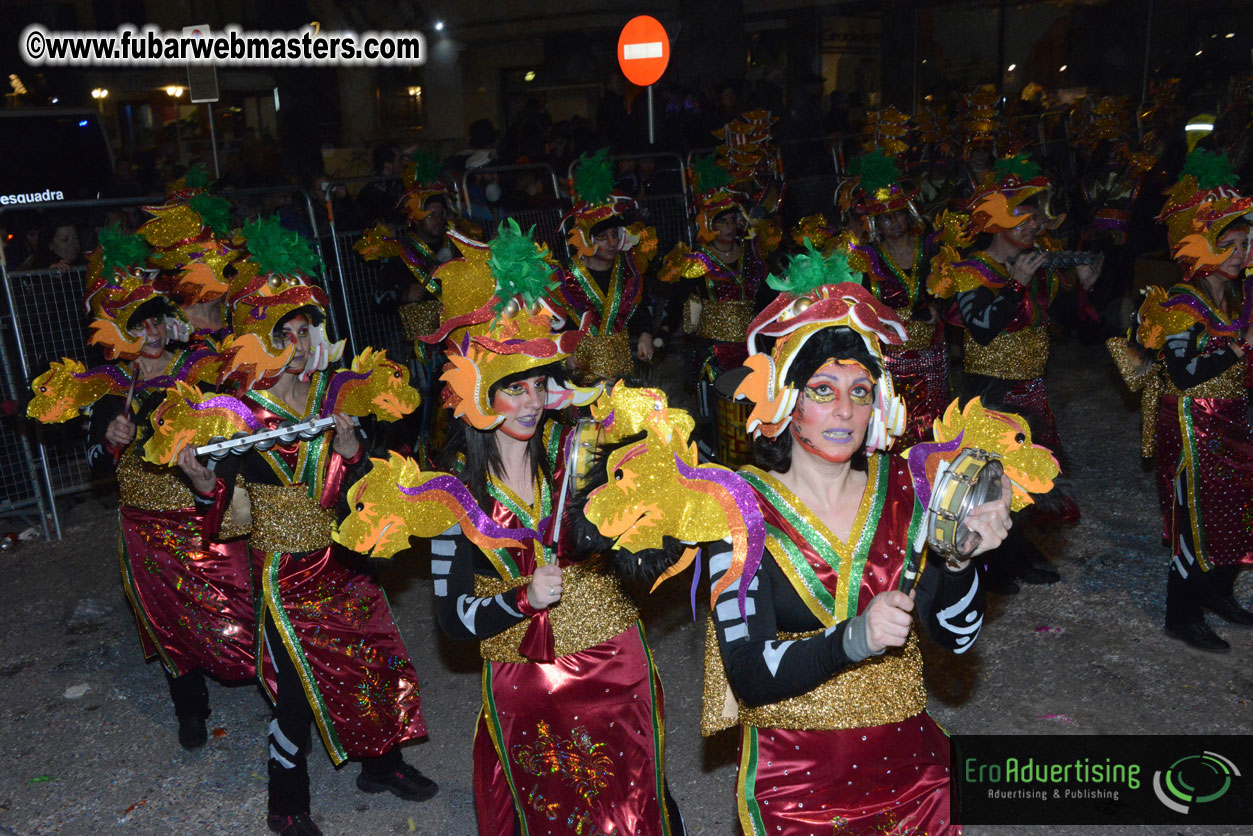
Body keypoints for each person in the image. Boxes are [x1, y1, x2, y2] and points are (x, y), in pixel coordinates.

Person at [710, 271, 1012, 835]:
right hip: (795, 784)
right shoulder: (738, 511)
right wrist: (855, 638)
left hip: (913, 775)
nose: (845, 412)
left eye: (861, 391)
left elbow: (955, 639)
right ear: (786, 399)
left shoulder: (907, 489)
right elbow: (748, 674)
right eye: (823, 390)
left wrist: (960, 559)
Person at [418, 223, 682, 835]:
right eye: (514, 388)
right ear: (477, 393)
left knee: (640, 797)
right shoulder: (450, 491)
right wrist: (522, 600)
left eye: (538, 384)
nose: (532, 402)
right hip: (526, 679)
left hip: (614, 657)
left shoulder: (575, 452)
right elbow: (451, 620)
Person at [186, 219, 434, 836]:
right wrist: (202, 484)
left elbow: (365, 489)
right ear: (257, 341)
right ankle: (286, 804)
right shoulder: (236, 416)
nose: (297, 345)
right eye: (283, 334)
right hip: (285, 572)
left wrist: (354, 453)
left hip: (346, 558)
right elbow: (225, 509)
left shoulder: (337, 394)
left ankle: (382, 764)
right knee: (296, 691)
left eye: (303, 331)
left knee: (373, 660)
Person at [75, 232, 255, 753]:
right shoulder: (108, 388)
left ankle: (272, 685)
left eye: (156, 321)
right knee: (168, 620)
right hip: (144, 528)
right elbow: (94, 462)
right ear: (119, 334)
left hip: (201, 514)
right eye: (138, 326)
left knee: (239, 603)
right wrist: (111, 441)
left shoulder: (196, 372)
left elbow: (229, 432)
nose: (151, 333)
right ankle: (190, 709)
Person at [929, 155, 1102, 593]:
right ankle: (991, 567)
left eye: (1037, 215)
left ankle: (1016, 555)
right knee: (992, 480)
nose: (1035, 223)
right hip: (990, 392)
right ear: (996, 219)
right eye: (1024, 215)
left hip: (1032, 387)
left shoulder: (1036, 265)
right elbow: (981, 329)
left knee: (1030, 476)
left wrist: (1083, 285)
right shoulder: (970, 270)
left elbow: (1059, 324)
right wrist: (1014, 286)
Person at [1127, 150, 1253, 652]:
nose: (1241, 254)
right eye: (1230, 245)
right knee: (1194, 520)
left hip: (1232, 418)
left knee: (1237, 510)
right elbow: (1183, 374)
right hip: (1191, 424)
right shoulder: (1180, 304)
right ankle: (1182, 615)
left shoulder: (1238, 297)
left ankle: (1217, 593)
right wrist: (1240, 349)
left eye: (1245, 243)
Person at [840, 149, 949, 446]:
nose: (895, 223)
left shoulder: (931, 245)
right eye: (886, 218)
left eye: (898, 214)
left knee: (935, 426)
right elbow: (858, 308)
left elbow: (951, 287)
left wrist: (938, 307)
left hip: (931, 355)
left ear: (908, 213)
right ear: (875, 222)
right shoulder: (867, 258)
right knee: (894, 429)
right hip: (891, 362)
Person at [558, 148, 658, 383]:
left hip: (622, 373)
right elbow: (555, 325)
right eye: (602, 237)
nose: (612, 243)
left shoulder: (629, 270)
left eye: (615, 234)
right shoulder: (564, 278)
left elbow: (639, 309)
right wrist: (565, 355)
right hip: (580, 378)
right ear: (585, 240)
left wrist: (645, 333)